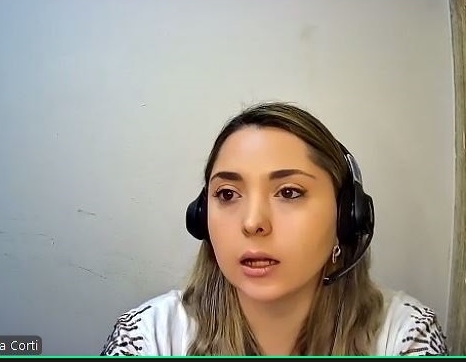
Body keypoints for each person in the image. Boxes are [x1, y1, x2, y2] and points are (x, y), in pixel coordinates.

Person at [100, 103, 448, 356]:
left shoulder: (406, 335)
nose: (252, 223)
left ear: (346, 216)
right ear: (202, 216)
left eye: (289, 192)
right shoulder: (147, 338)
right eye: (227, 194)